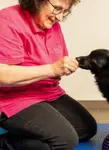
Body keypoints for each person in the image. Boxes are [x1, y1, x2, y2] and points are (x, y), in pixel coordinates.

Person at [0, 0, 97, 149]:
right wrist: (52, 69)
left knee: (86, 128)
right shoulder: (6, 21)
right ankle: (5, 143)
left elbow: (56, 62)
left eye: (65, 11)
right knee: (65, 140)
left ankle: (24, 135)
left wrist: (64, 67)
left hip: (46, 92)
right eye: (57, 8)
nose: (59, 17)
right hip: (11, 98)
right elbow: (3, 75)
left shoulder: (53, 25)